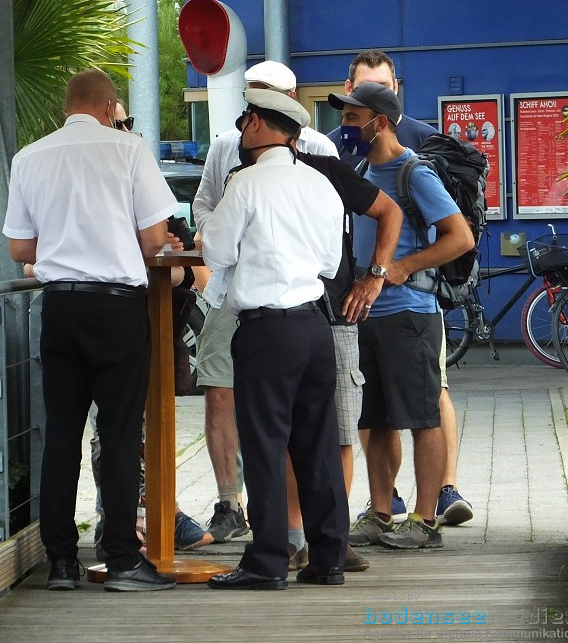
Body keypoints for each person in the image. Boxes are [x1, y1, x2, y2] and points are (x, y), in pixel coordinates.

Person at [4, 68, 177, 592]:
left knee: (61, 434)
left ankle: (60, 562)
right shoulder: (128, 151)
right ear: (109, 108)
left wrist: (64, 240)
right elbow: (154, 240)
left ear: (67, 107)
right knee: (121, 433)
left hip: (59, 307)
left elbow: (19, 248)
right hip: (117, 308)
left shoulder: (29, 156)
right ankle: (123, 559)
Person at [203, 88, 347, 589]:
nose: (242, 129)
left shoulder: (245, 184)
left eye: (245, 120)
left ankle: (265, 563)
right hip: (314, 325)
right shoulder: (321, 184)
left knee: (264, 444)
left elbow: (216, 249)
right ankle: (328, 558)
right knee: (318, 445)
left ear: (261, 125)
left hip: (267, 329)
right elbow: (330, 263)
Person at [331, 49, 475, 528]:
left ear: (380, 122)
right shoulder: (359, 172)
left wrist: (398, 268)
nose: (345, 124)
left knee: (422, 418)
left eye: (353, 116)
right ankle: (379, 512)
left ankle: (424, 519)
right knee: (376, 420)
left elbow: (460, 237)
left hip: (411, 313)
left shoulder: (415, 172)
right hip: (366, 316)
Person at [86, 103, 212, 556]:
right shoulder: (86, 186)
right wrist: (153, 253)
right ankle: (116, 521)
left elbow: (186, 260)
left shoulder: (144, 180)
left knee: (151, 425)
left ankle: (160, 510)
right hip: (108, 320)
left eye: (129, 124)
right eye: (118, 124)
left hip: (155, 328)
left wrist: (165, 255)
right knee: (113, 428)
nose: (126, 131)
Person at [283, 137, 403, 576]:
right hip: (278, 318)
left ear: (292, 135)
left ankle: (332, 538)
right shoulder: (248, 174)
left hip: (335, 316)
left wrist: (374, 277)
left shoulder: (328, 170)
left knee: (340, 434)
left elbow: (390, 211)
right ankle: (294, 538)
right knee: (286, 435)